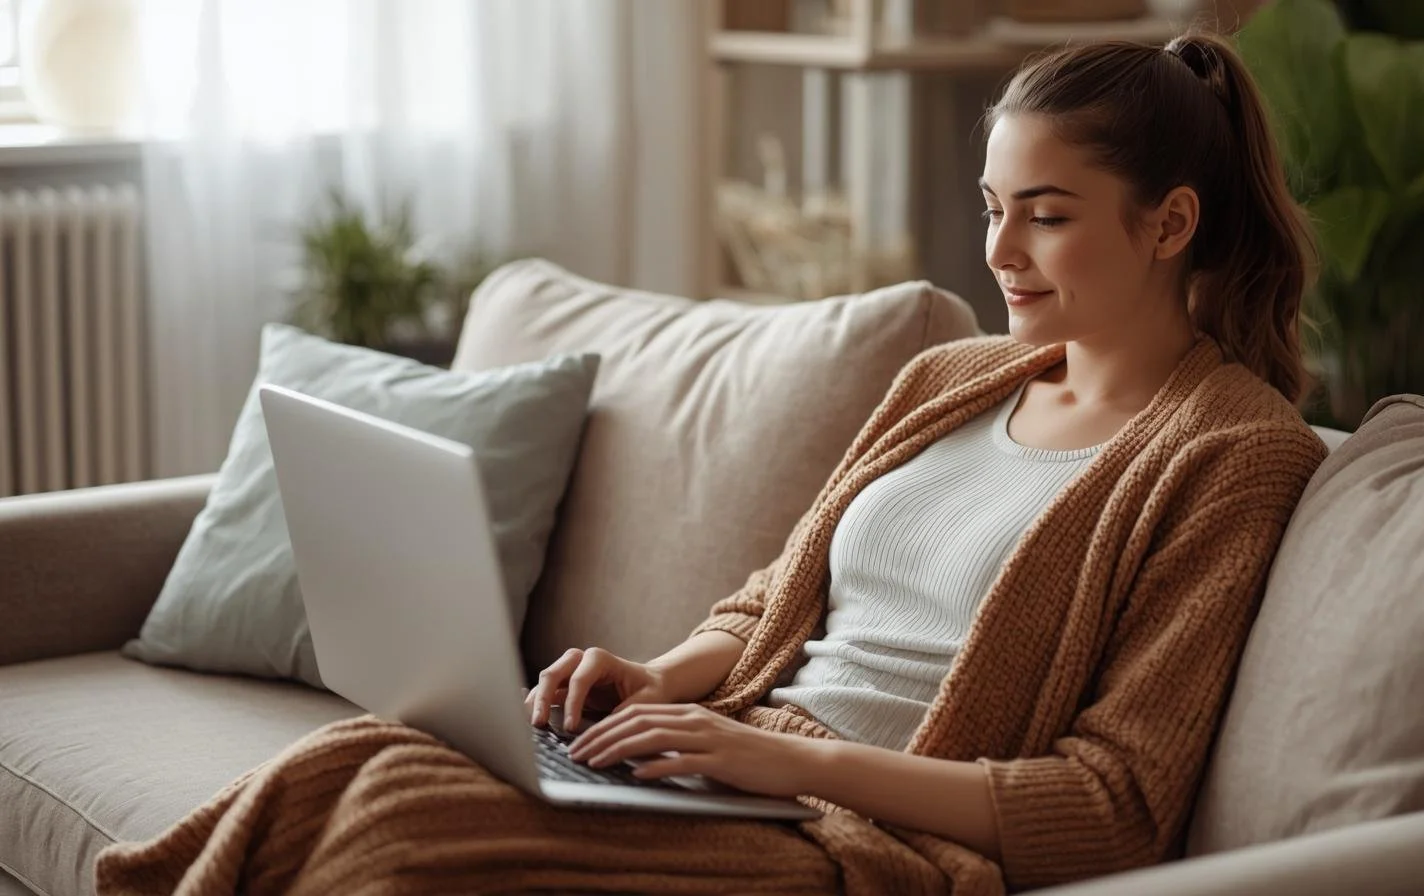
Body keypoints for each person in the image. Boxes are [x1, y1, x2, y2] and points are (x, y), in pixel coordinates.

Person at [97, 31, 1329, 896]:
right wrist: (661, 675)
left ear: (1170, 222)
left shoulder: (1230, 453)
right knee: (354, 759)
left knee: (396, 830)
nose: (998, 246)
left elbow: (1110, 806)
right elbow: (776, 594)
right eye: (992, 202)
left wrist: (779, 759)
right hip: (736, 763)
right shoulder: (952, 375)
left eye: (1046, 214)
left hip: (845, 832)